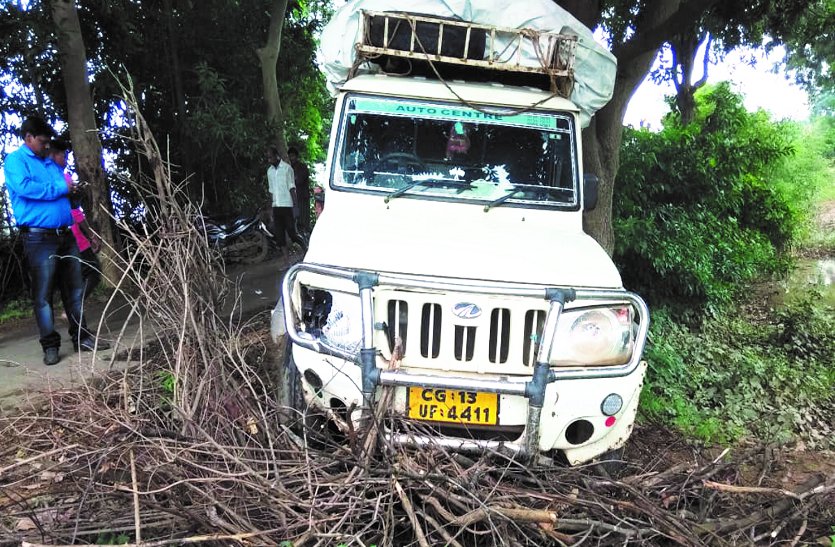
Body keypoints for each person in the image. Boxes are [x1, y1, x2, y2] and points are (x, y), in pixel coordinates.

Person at [3, 116, 109, 366]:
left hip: (66, 235)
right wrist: (60, 188)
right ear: (28, 138)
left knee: (74, 290)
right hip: (39, 239)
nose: (46, 147)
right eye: (42, 142)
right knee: (43, 297)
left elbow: (65, 189)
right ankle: (50, 346)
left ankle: (82, 337)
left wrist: (68, 191)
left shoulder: (49, 164)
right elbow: (26, 189)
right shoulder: (15, 162)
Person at [49, 138, 101, 300]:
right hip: (75, 237)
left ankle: (73, 311)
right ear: (53, 155)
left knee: (73, 277)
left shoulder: (47, 181)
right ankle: (75, 307)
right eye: (63, 156)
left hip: (55, 238)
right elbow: (75, 212)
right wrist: (91, 235)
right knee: (94, 271)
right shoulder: (64, 179)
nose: (65, 160)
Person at [266, 145, 306, 261]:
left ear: (277, 156)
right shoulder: (270, 172)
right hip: (276, 206)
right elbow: (271, 190)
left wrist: (295, 206)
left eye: (271, 157)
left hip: (287, 205)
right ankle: (286, 260)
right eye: (267, 158)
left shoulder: (287, 169)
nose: (269, 160)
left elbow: (292, 188)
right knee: (279, 236)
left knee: (292, 233)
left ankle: (305, 250)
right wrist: (270, 209)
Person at [288, 146, 311, 235]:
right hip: (293, 198)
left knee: (303, 220)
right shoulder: (289, 168)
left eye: (293, 156)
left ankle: (305, 237)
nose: (291, 158)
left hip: (302, 197)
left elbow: (299, 180)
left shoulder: (302, 167)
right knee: (295, 219)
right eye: (290, 156)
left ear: (296, 156)